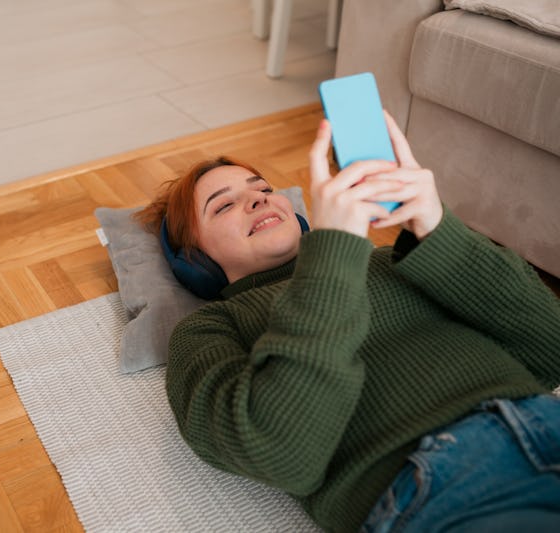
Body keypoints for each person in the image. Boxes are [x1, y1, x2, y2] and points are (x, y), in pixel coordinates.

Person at [134, 112, 560, 533]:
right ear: (196, 262)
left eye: (262, 188)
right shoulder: (207, 329)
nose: (260, 198)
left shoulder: (397, 259)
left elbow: (549, 346)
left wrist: (437, 228)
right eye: (223, 205)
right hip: (439, 482)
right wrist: (332, 254)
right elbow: (280, 453)